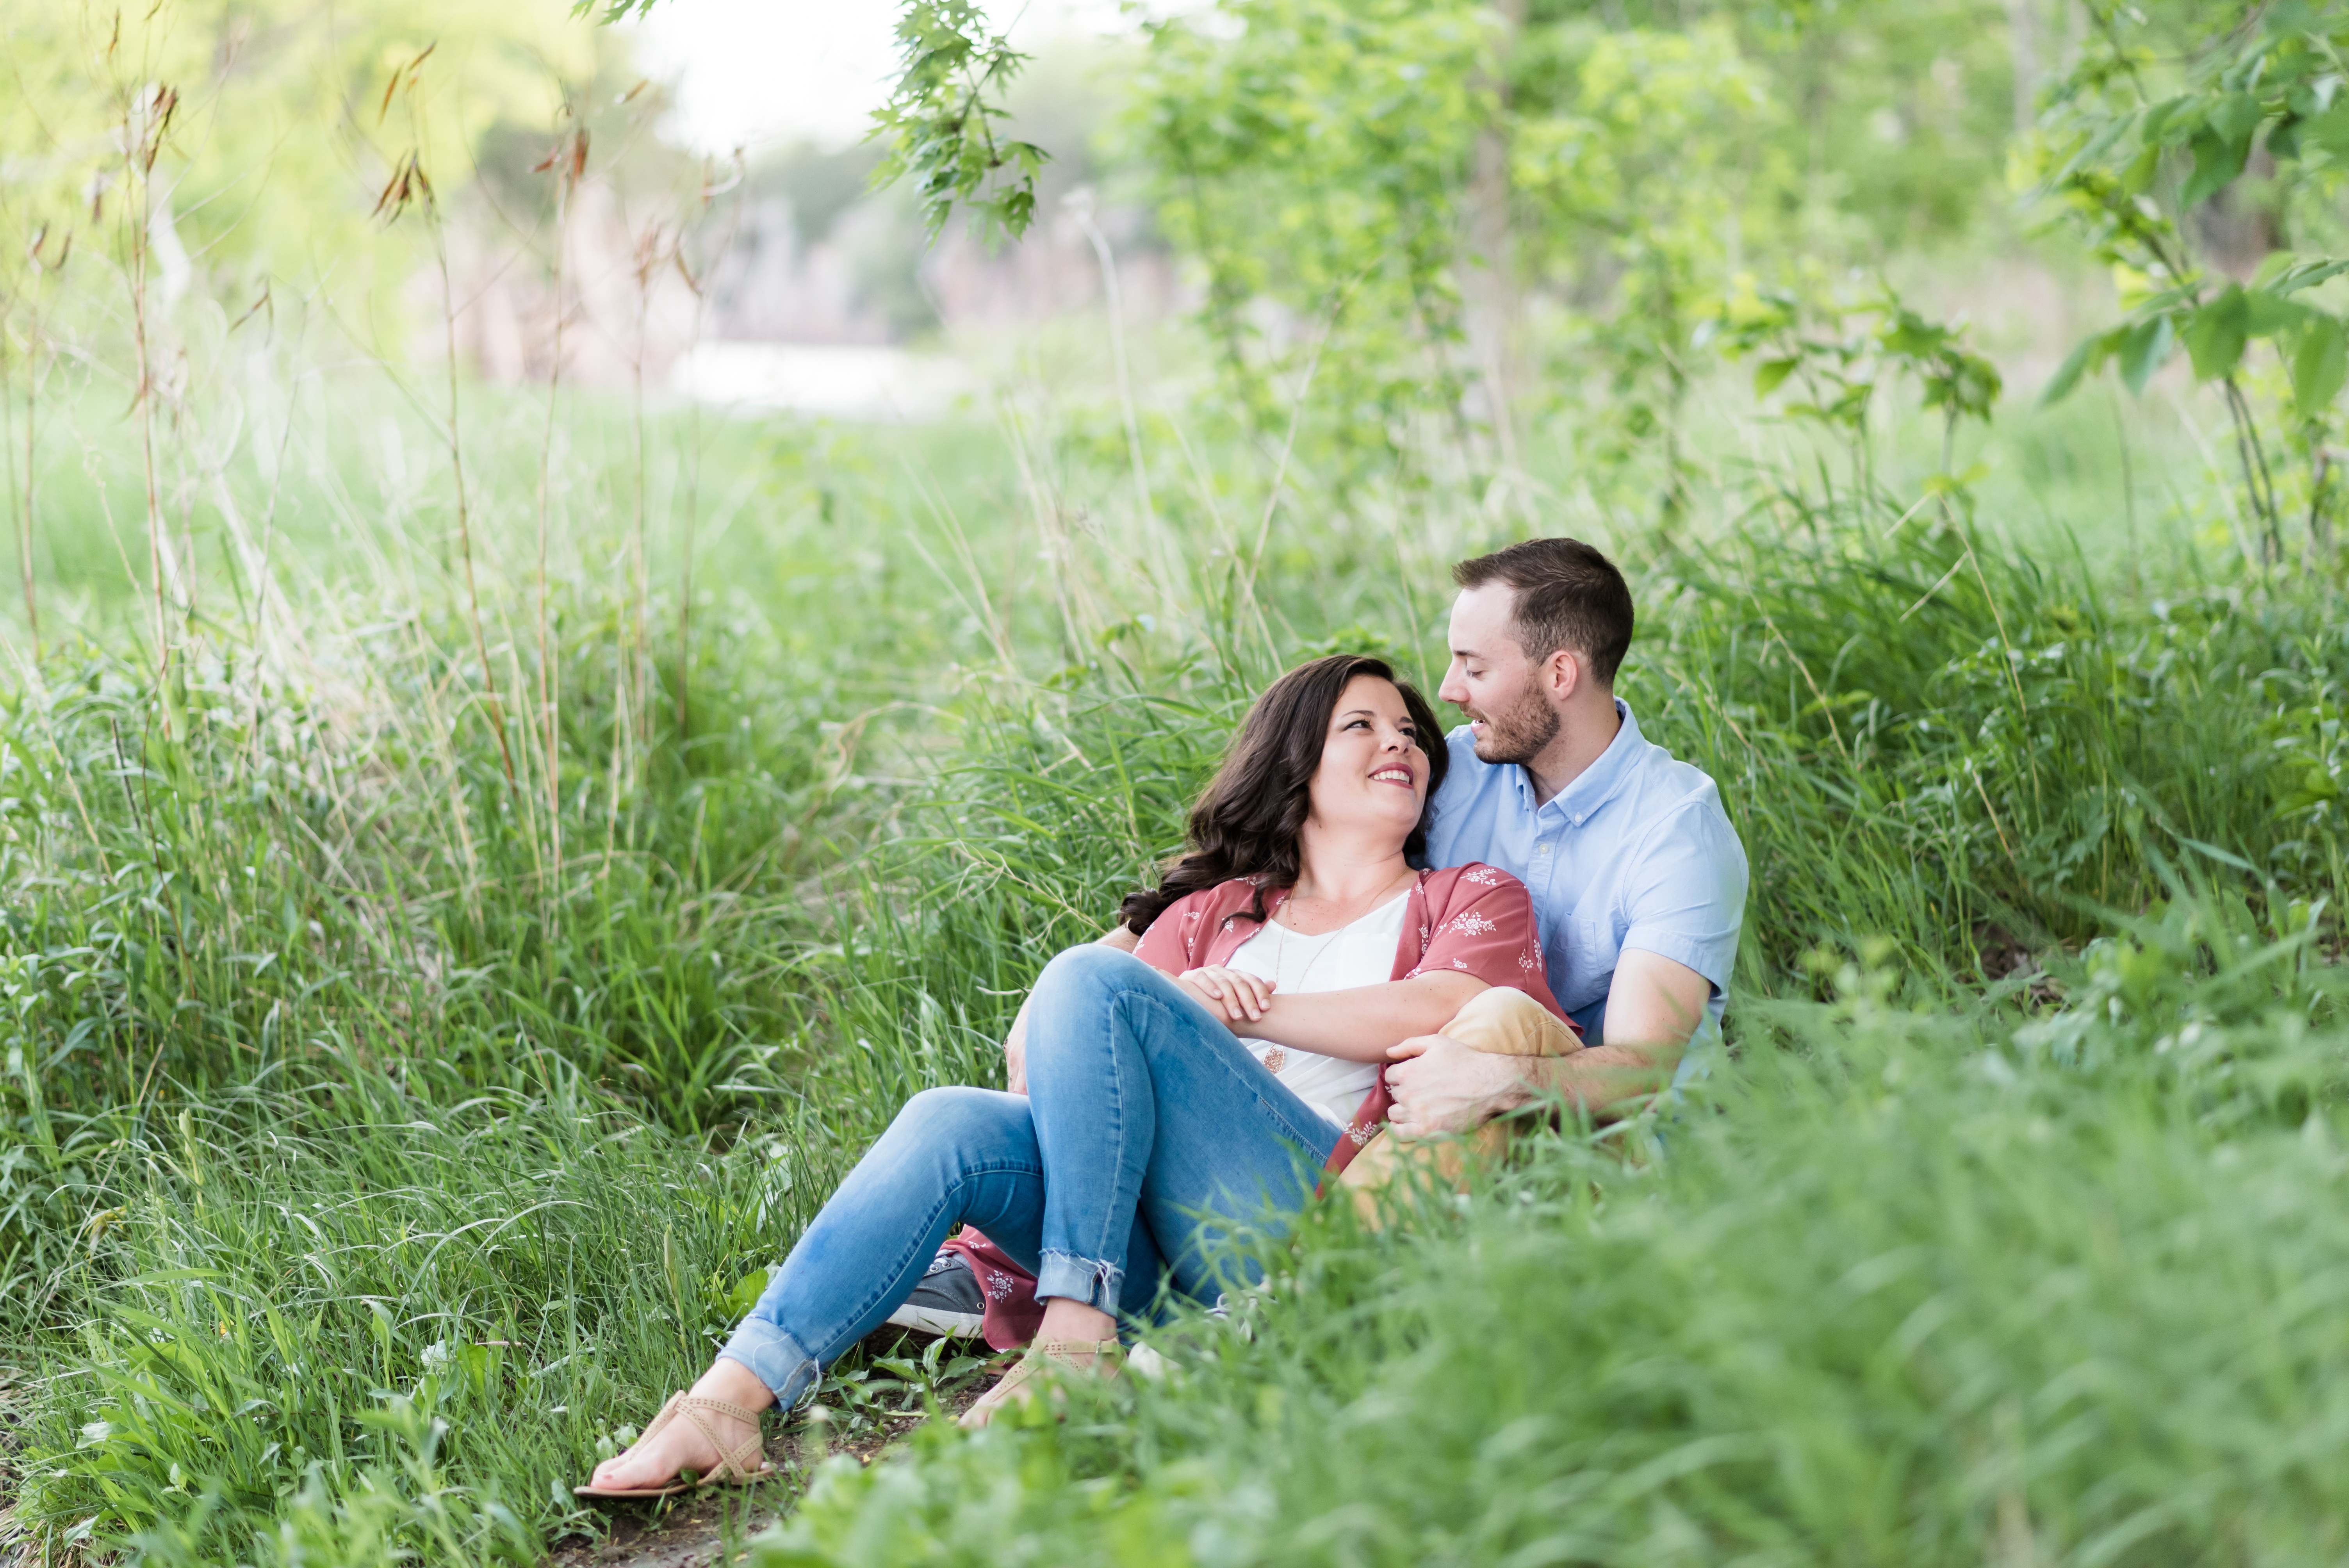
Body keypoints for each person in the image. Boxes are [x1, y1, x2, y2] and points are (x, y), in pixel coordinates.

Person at [579, 655, 1568, 1497]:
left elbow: (1447, 1008)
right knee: (948, 1121)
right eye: (1361, 725)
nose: (1399, 742)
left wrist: (1243, 1013)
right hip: (1157, 1261)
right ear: (1296, 762)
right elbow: (1069, 1055)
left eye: (1409, 731)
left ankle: (1074, 1340)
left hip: (1301, 1219)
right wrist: (1170, 1003)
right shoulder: (1213, 914)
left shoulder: (1463, 895)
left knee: (1096, 979)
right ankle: (729, 1402)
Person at [893, 537, 1750, 1343]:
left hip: (1579, 1134)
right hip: (1430, 1116)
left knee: (1489, 1025)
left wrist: (1503, 1077)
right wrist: (1083, 978)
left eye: (1474, 666)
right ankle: (1022, 1269)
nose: (1447, 689)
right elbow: (1257, 849)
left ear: (1559, 673)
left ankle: (1273, 1316)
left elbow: (1642, 1069)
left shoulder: (1673, 829)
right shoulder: (1461, 771)